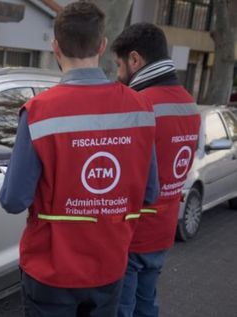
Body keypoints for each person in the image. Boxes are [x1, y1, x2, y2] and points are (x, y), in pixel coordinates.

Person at [0, 3, 159, 317]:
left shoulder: (38, 111)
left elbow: (14, 200)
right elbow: (149, 193)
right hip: (110, 265)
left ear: (55, 46)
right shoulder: (140, 109)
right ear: (102, 46)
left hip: (51, 271)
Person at [111, 23, 201, 317]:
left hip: (133, 231)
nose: (116, 73)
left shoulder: (139, 105)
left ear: (135, 60)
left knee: (122, 309)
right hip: (163, 229)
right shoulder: (190, 105)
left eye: (118, 64)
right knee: (147, 304)